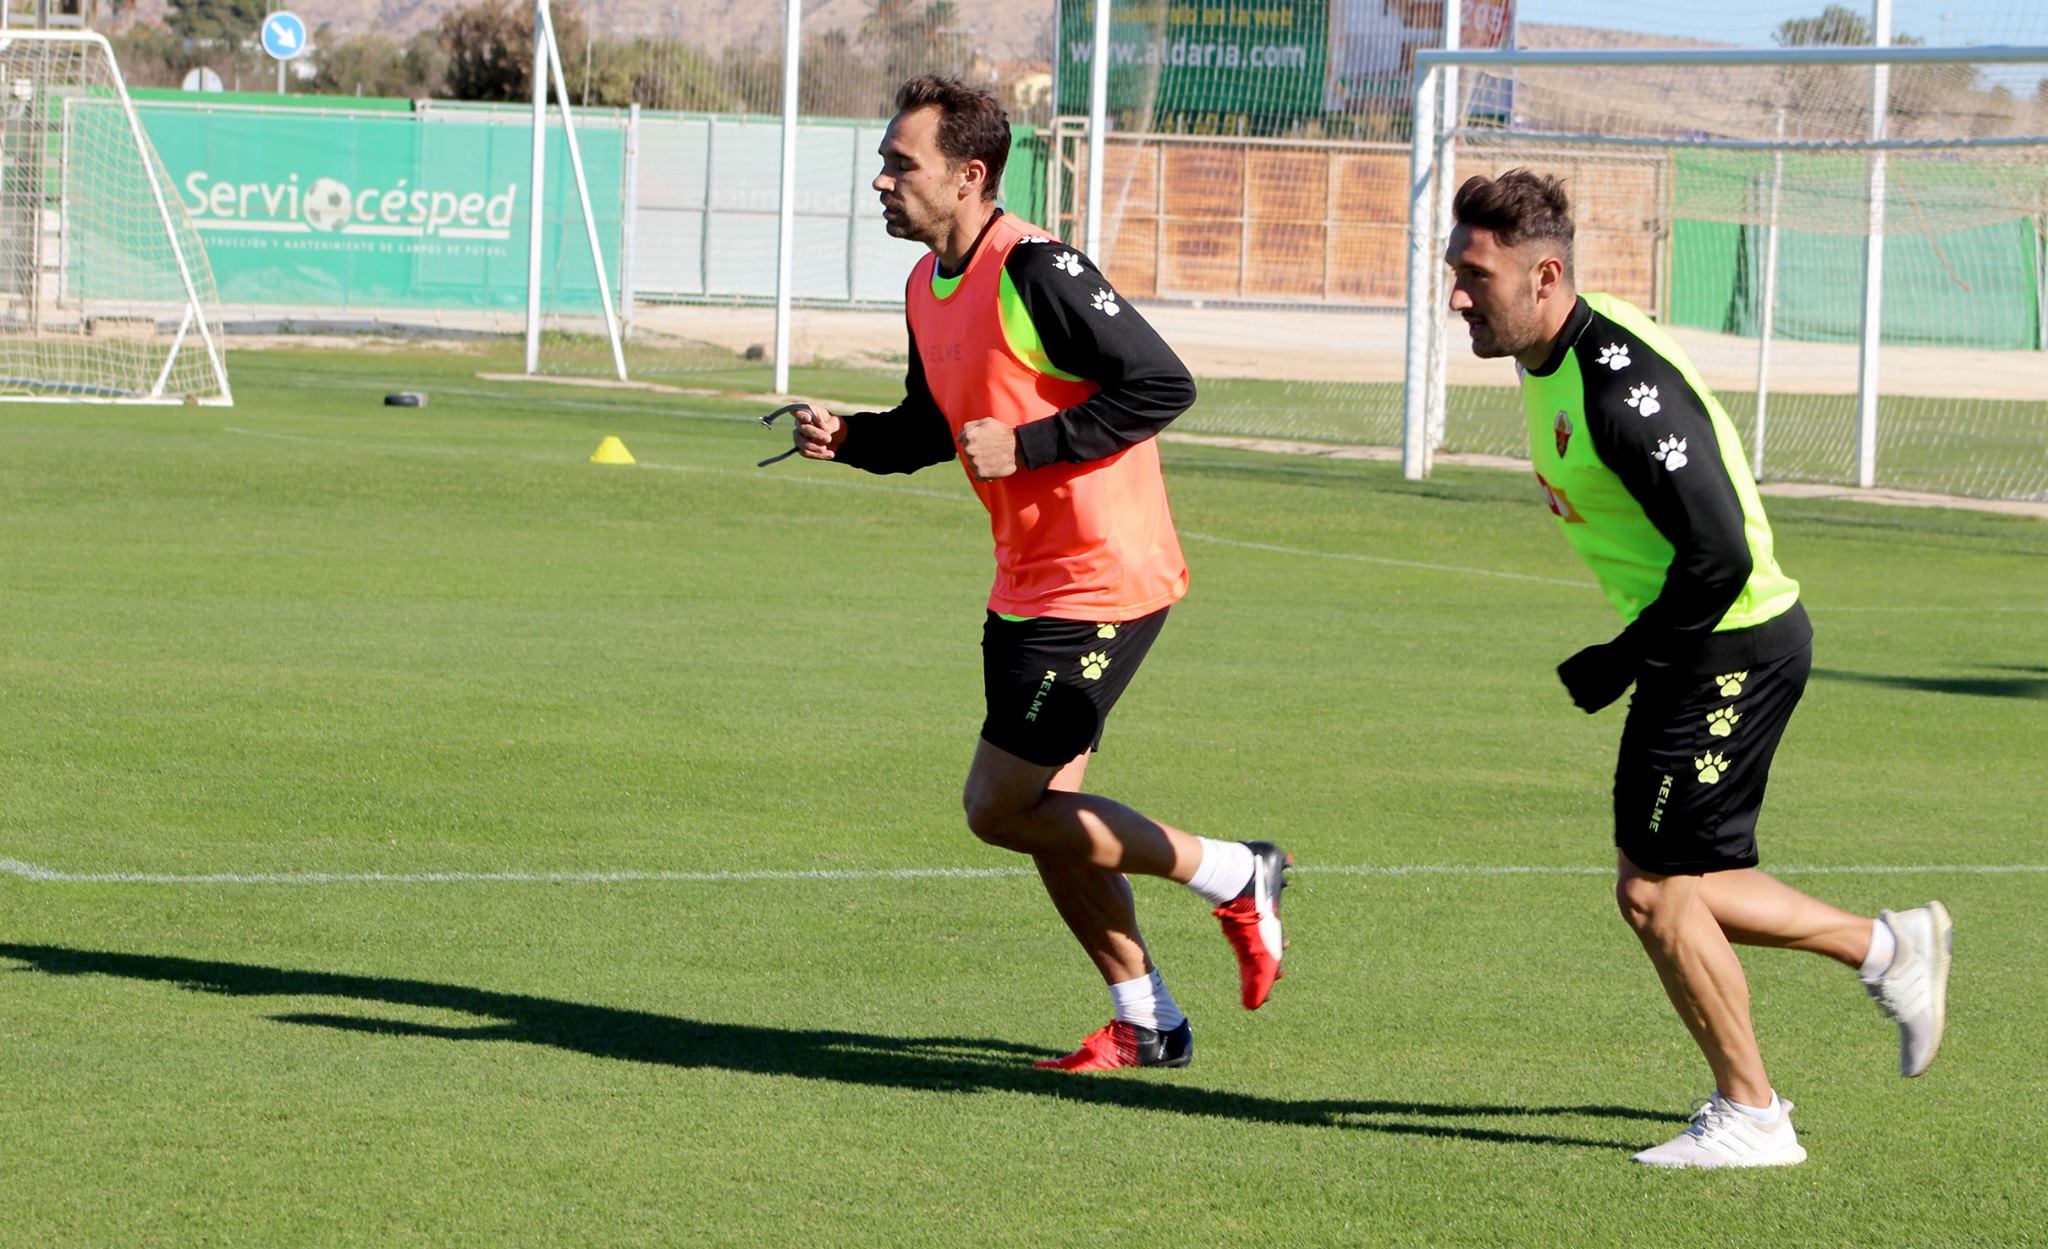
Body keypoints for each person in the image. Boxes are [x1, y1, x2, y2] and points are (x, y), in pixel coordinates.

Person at [777, 76, 1289, 1072]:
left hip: (1102, 574)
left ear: (969, 176)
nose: (879, 180)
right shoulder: (927, 286)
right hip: (1027, 577)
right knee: (1051, 818)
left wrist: (1036, 442)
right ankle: (1147, 1019)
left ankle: (1234, 871)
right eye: (883, 160)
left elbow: (1160, 383)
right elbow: (938, 425)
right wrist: (855, 439)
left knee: (996, 805)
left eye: (899, 163)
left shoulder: (1038, 268)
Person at [1443, 169, 1953, 1167]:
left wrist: (1619, 660)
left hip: (1722, 644)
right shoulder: (1552, 343)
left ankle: (1753, 1115)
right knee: (1686, 878)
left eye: (1474, 274)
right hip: (1702, 637)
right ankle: (1885, 947)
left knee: (1653, 892)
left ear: (1544, 276)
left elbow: (1716, 553)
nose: (1456, 293)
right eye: (1453, 269)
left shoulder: (1615, 390)